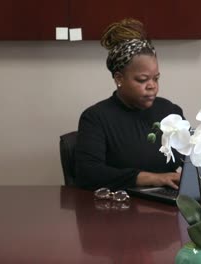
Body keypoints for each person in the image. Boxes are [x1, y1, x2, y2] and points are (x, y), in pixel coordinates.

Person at [74, 18, 183, 191]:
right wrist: (153, 178)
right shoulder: (96, 118)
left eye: (156, 78)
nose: (152, 85)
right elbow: (88, 173)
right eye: (142, 79)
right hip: (119, 207)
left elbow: (190, 159)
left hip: (168, 204)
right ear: (119, 79)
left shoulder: (170, 111)